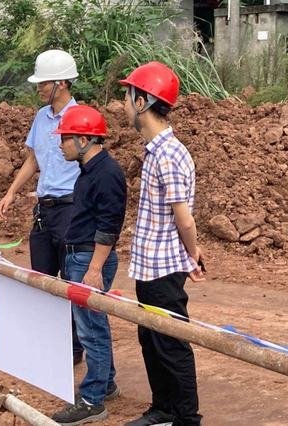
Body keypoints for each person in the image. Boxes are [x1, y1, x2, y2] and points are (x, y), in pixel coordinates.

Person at [120, 62, 205, 426]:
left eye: (128, 97)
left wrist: (192, 253)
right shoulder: (156, 150)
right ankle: (164, 408)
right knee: (152, 339)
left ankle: (186, 418)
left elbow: (184, 219)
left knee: (171, 343)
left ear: (142, 103)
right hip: (151, 265)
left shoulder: (168, 155)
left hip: (163, 269)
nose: (123, 104)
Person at [0, 49, 84, 365]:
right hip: (45, 210)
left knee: (72, 281)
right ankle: (49, 343)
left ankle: (74, 348)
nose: (39, 88)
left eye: (44, 83)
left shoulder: (80, 119)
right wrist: (11, 192)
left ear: (62, 83)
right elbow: (33, 160)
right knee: (42, 279)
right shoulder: (41, 117)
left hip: (71, 209)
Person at [51, 105, 127, 425]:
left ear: (83, 139)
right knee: (94, 324)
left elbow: (109, 226)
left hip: (89, 258)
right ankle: (105, 383)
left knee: (90, 330)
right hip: (81, 256)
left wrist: (94, 269)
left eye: (64, 138)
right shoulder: (90, 170)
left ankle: (92, 400)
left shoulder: (107, 174)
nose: (61, 145)